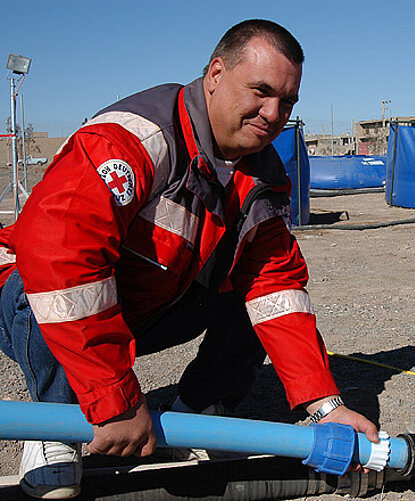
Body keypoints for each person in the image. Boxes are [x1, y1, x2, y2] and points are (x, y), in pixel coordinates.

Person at [0, 19, 378, 500]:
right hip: (27, 301)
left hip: (137, 304)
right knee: (40, 284)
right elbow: (61, 262)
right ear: (216, 74)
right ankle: (57, 428)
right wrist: (113, 398)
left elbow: (276, 287)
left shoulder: (259, 171)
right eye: (261, 91)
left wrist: (327, 407)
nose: (273, 113)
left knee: (254, 297)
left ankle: (201, 418)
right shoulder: (134, 140)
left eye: (287, 101)